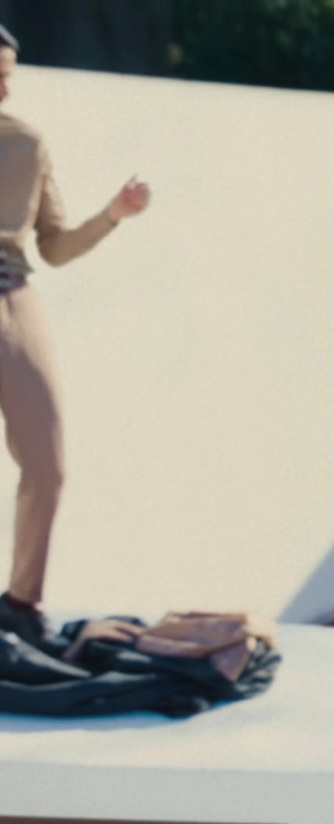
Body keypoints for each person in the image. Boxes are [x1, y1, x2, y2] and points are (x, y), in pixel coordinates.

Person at [0, 24, 152, 645]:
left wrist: (113, 215)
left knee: (49, 462)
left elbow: (55, 246)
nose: (3, 87)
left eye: (7, 75)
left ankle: (19, 604)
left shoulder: (29, 143)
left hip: (13, 297)